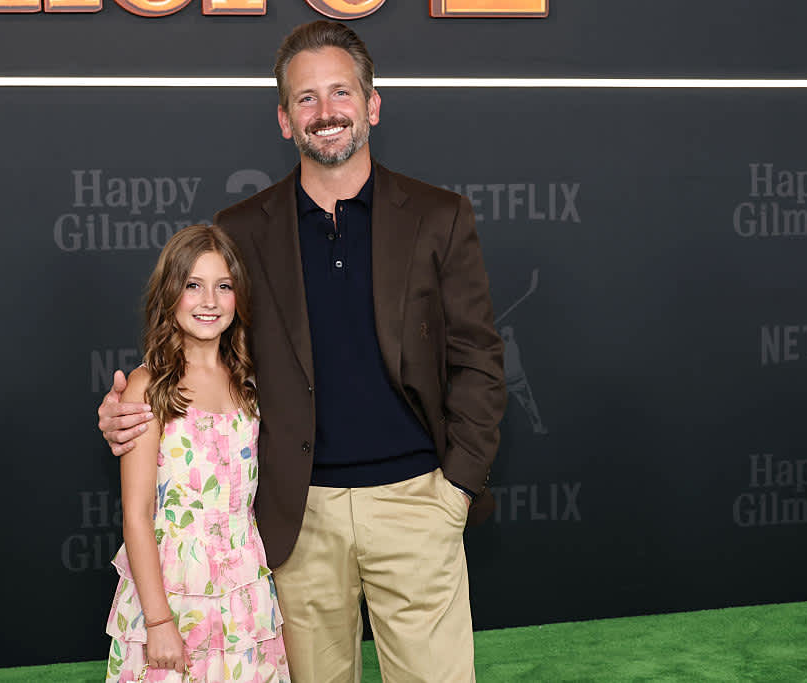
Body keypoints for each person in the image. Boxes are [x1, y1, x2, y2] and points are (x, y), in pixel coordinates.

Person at [99, 21, 505, 683]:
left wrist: (454, 487)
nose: (326, 112)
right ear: (285, 120)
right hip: (296, 517)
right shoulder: (241, 230)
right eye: (306, 99)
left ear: (371, 105)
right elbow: (209, 356)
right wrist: (128, 406)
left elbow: (480, 358)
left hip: (416, 502)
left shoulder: (440, 217)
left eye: (340, 93)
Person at [103, 224, 290, 682]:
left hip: (246, 590)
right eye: (193, 286)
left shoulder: (249, 382)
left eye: (223, 286)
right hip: (172, 591)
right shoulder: (149, 386)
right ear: (170, 294)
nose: (209, 301)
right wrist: (158, 620)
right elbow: (137, 518)